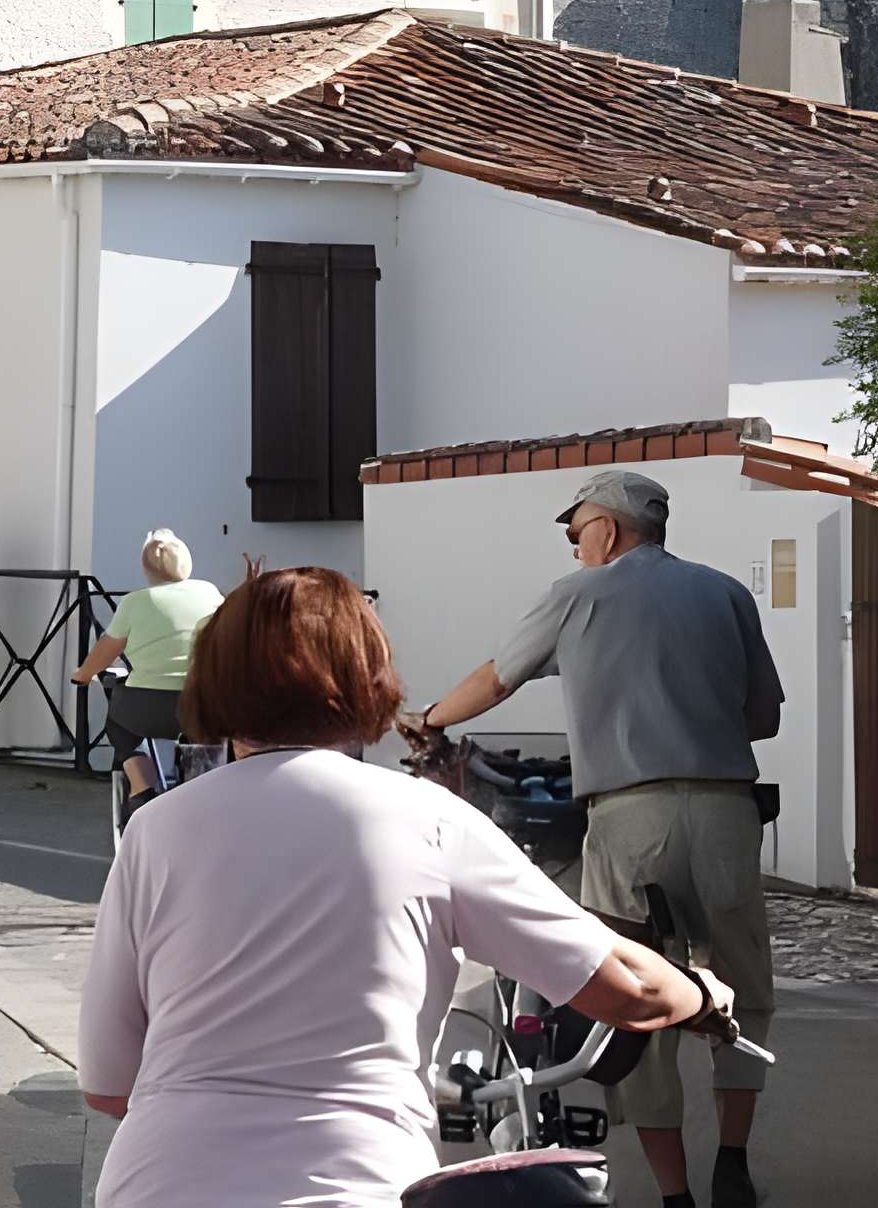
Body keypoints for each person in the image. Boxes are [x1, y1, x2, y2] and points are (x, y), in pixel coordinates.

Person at [79, 566, 732, 1208]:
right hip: (354, 1183)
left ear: (211, 684)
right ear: (369, 680)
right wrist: (700, 993)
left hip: (158, 1182)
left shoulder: (156, 830)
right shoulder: (427, 818)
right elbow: (630, 990)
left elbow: (108, 1085)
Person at [405, 470, 782, 1208]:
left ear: (606, 530)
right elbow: (764, 716)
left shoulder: (576, 596)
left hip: (628, 818)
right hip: (727, 811)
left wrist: (433, 718)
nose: (576, 548)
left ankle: (673, 1195)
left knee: (636, 1000)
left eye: (577, 533)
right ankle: (732, 1164)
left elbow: (497, 678)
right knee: (744, 989)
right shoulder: (728, 594)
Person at [70, 529, 222, 803]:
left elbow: (107, 648)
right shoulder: (209, 592)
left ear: (145, 569)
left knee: (120, 729)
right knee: (206, 738)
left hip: (147, 707)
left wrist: (83, 674)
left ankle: (142, 789)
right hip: (202, 702)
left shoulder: (135, 601)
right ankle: (203, 788)